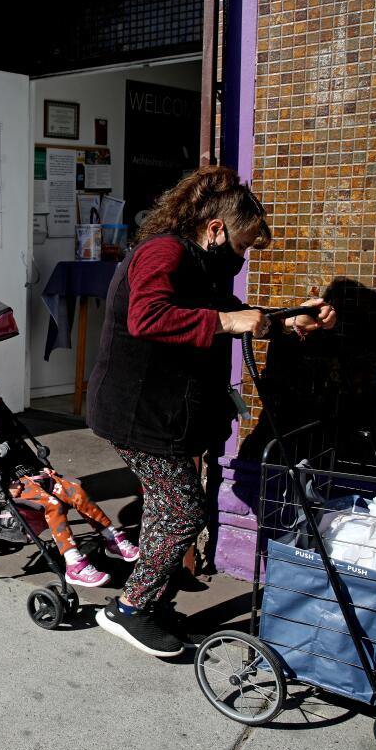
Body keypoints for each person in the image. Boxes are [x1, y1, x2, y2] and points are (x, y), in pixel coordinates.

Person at [87, 166, 336, 657]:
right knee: (182, 511)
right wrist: (228, 317)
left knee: (170, 507)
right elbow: (148, 317)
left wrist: (291, 320)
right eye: (242, 246)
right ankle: (129, 609)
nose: (241, 258)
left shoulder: (202, 263)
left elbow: (232, 317)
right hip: (138, 410)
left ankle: (150, 603)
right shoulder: (162, 251)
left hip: (169, 411)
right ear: (215, 228)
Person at [0, 381, 139, 586]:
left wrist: (41, 467)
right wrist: (3, 488)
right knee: (52, 504)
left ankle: (111, 537)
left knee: (76, 491)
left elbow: (21, 450)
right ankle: (73, 564)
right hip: (10, 484)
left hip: (33, 476)